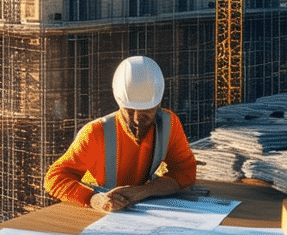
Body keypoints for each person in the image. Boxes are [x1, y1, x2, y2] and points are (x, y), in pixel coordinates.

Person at [45, 55, 197, 212]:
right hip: (96, 216)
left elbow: (185, 170)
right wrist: (93, 199)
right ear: (119, 103)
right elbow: (54, 178)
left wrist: (146, 190)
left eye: (146, 112)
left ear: (158, 104)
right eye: (130, 111)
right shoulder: (95, 134)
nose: (137, 120)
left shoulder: (169, 125)